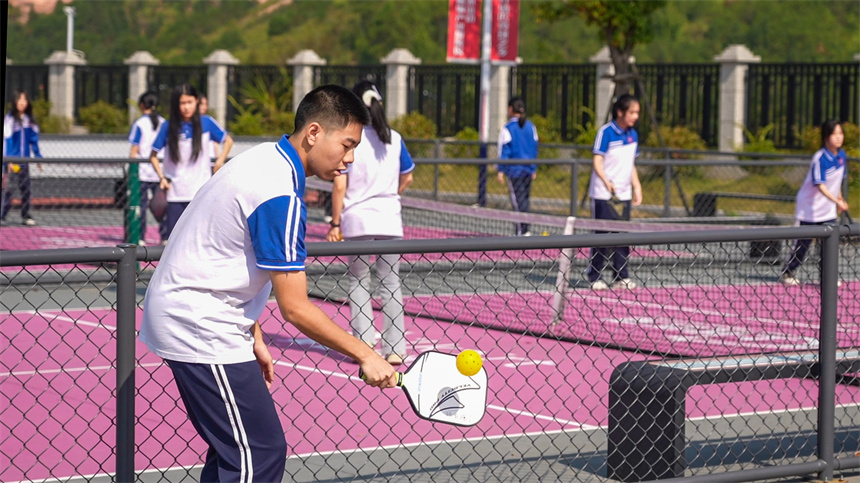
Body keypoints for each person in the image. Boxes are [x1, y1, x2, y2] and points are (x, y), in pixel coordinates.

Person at [139, 84, 397, 482]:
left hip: (205, 317)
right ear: (314, 133)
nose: (349, 159)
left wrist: (252, 328)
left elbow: (225, 250)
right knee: (259, 454)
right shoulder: (279, 192)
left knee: (236, 453)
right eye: (346, 145)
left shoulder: (266, 159)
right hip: (200, 324)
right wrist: (366, 353)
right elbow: (295, 308)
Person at [326, 81, 414, 366]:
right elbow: (408, 176)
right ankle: (396, 348)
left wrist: (335, 223)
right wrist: (390, 197)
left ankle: (363, 343)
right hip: (389, 217)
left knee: (358, 280)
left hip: (357, 219)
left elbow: (340, 185)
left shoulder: (350, 139)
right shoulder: (395, 138)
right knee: (390, 282)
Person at [149, 83, 234, 241]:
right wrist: (162, 177)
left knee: (200, 238)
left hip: (200, 192)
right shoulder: (168, 126)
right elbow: (153, 155)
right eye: (182, 103)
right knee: (173, 240)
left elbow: (228, 141)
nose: (186, 107)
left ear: (196, 102)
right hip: (174, 193)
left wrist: (220, 161)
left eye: (190, 102)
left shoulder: (206, 122)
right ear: (176, 104)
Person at [780, 119, 849, 287]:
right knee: (803, 243)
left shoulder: (842, 156)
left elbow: (836, 182)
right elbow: (821, 186)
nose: (839, 137)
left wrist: (839, 199)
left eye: (841, 133)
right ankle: (788, 272)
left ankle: (827, 277)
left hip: (828, 210)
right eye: (834, 134)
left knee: (829, 244)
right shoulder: (820, 158)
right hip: (809, 207)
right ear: (826, 137)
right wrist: (837, 201)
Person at [586, 93, 643, 291]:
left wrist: (637, 186)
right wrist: (606, 182)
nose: (635, 116)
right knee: (602, 236)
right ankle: (595, 276)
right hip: (604, 194)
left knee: (622, 236)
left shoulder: (633, 134)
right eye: (632, 112)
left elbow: (631, 164)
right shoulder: (606, 132)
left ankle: (621, 276)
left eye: (637, 112)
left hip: (624, 195)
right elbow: (597, 161)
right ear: (620, 112)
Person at [495, 96, 539, 236]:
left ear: (510, 109)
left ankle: (523, 231)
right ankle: (524, 229)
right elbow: (534, 149)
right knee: (524, 199)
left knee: (518, 201)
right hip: (527, 169)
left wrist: (500, 170)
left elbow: (505, 150)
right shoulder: (531, 127)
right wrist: (533, 168)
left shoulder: (508, 128)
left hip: (514, 170)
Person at [129, 91, 167, 245]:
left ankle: (140, 237)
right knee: (164, 206)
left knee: (141, 207)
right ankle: (165, 237)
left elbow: (134, 150)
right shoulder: (165, 123)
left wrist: (130, 168)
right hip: (161, 171)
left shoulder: (139, 123)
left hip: (143, 171)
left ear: (142, 105)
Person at [2, 91, 42, 226]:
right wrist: (7, 160)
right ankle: (2, 215)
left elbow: (34, 141)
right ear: (15, 102)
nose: (22, 102)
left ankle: (26, 215)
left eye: (24, 100)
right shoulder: (10, 119)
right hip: (12, 162)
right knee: (8, 190)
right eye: (19, 100)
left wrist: (38, 158)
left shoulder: (29, 121)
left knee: (26, 189)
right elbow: (7, 141)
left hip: (24, 162)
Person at [197, 92, 222, 161]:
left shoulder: (208, 120)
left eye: (206, 104)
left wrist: (219, 160)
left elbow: (217, 141)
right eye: (202, 104)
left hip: (209, 160)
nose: (204, 107)